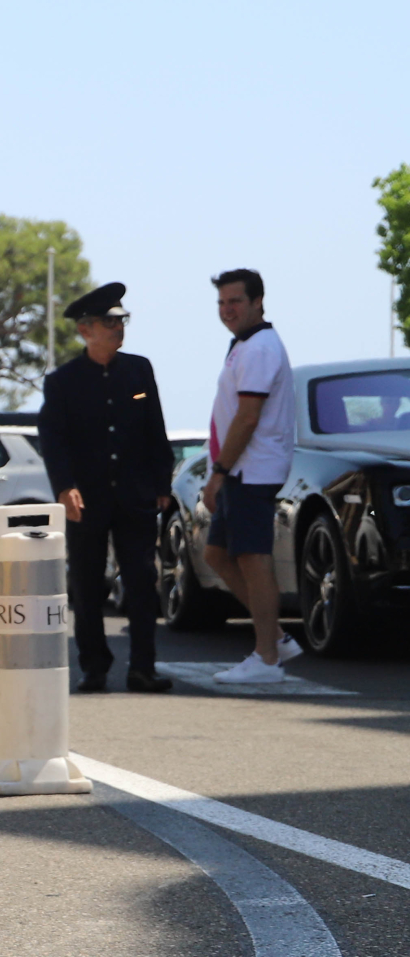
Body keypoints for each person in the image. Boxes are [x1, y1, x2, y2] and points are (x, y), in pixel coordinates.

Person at [37, 282, 174, 693]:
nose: (118, 328)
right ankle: (94, 667)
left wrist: (161, 482)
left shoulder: (138, 370)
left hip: (135, 495)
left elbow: (155, 430)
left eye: (121, 320)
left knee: (141, 582)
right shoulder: (63, 382)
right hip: (87, 500)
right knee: (87, 584)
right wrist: (64, 487)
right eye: (110, 321)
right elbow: (53, 438)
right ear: (86, 330)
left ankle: (143, 668)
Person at [201, 269, 299, 685]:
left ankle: (267, 659)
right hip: (238, 469)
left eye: (235, 301)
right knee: (216, 556)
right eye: (222, 303)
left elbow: (248, 415)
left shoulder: (260, 347)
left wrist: (220, 472)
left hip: (250, 471)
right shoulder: (244, 345)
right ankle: (275, 637)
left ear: (259, 301)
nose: (228, 310)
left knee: (254, 560)